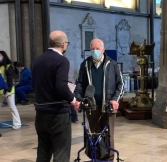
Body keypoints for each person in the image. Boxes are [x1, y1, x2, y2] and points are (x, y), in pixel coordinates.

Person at [32, 30, 80, 162]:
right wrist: (73, 100)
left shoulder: (38, 60)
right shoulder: (61, 60)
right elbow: (60, 86)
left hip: (40, 113)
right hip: (57, 114)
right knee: (61, 153)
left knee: (43, 151)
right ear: (64, 44)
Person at [74, 38, 124, 161]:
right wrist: (78, 99)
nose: (95, 51)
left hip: (108, 106)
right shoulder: (85, 64)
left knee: (109, 135)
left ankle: (109, 158)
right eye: (92, 49)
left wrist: (115, 99)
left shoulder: (112, 64)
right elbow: (79, 83)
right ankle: (95, 157)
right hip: (91, 106)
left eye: (97, 49)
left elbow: (121, 84)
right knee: (93, 134)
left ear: (103, 50)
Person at [0, 51, 22, 130]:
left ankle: (17, 123)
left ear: (4, 56)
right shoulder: (0, 66)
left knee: (12, 107)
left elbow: (10, 79)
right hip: (0, 90)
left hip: (9, 90)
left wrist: (8, 90)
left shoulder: (9, 66)